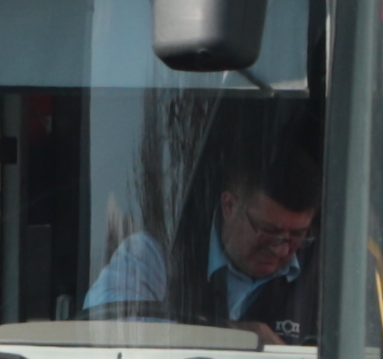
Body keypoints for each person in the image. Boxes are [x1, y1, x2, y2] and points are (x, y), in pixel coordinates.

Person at [87, 128, 321, 339]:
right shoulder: (162, 251)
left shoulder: (328, 275)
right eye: (269, 231)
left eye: (298, 234)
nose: (282, 248)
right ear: (229, 206)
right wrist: (235, 337)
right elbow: (104, 325)